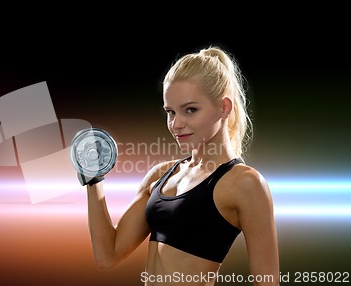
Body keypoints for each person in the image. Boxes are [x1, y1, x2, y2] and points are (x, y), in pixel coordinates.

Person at [77, 46, 280, 285]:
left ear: (224, 107)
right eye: (170, 112)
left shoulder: (244, 183)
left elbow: (267, 281)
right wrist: (93, 177)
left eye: (190, 110)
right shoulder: (160, 175)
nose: (176, 124)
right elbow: (107, 255)